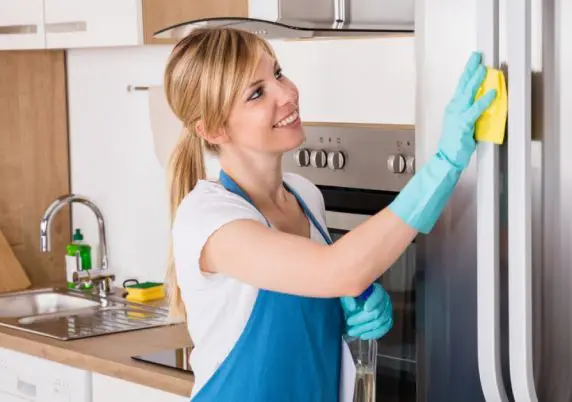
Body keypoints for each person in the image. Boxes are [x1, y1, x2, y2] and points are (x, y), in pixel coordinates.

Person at [163, 26, 496, 401]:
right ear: (213, 129)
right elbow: (340, 269)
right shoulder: (208, 218)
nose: (288, 94)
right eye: (257, 93)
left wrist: (346, 314)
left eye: (277, 74)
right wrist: (445, 164)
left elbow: (313, 307)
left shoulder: (305, 196)